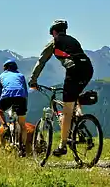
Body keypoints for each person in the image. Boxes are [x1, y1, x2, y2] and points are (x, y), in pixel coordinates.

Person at [29, 19, 94, 157]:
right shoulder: (74, 40)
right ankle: (79, 120)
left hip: (74, 71)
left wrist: (33, 80)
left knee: (66, 110)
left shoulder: (54, 43)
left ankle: (62, 145)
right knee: (74, 97)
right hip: (88, 69)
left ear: (54, 31)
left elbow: (41, 62)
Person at [0, 58, 28, 156]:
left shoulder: (1, 76)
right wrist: (25, 103)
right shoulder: (21, 75)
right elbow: (25, 91)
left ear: (5, 68)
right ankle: (23, 148)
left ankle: (5, 127)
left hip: (6, 98)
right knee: (22, 125)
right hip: (21, 98)